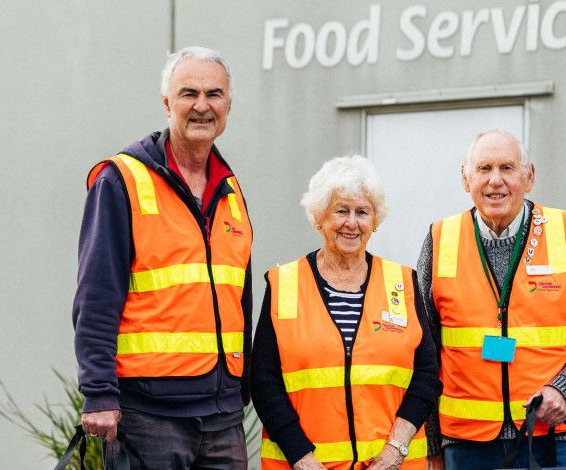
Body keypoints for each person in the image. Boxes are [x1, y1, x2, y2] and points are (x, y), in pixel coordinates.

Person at [72, 46, 253, 469]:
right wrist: (98, 392)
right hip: (149, 413)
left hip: (223, 415)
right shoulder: (122, 181)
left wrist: (238, 389)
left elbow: (237, 297)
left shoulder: (230, 190)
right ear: (166, 102)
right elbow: (96, 297)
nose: (202, 106)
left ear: (228, 105)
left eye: (215, 94)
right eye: (189, 93)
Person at [417, 130, 566, 469]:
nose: (496, 180)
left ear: (529, 176)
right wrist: (434, 445)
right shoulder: (440, 240)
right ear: (465, 178)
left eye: (507, 167)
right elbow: (425, 353)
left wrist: (564, 391)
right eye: (484, 169)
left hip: (554, 437)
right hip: (467, 447)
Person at [251, 155, 442, 470]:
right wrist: (301, 457)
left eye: (362, 212)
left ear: (375, 219)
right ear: (320, 217)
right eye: (341, 211)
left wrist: (396, 449)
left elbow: (426, 374)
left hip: (390, 465)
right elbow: (264, 380)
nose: (352, 223)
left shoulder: (401, 282)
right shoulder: (285, 283)